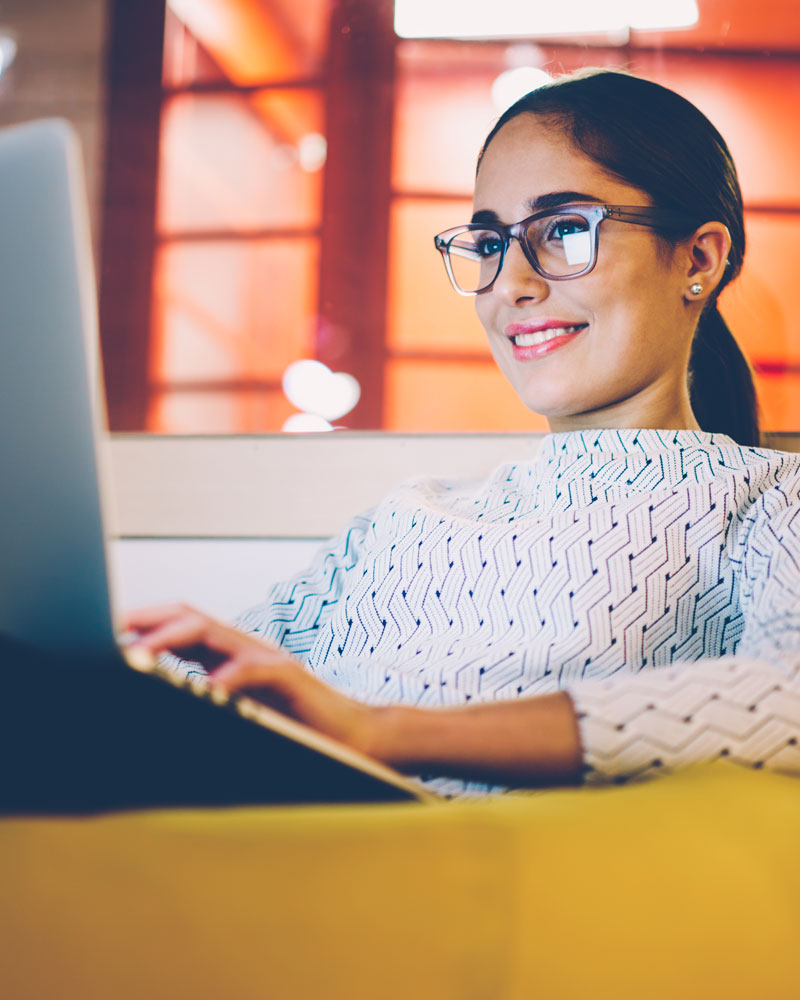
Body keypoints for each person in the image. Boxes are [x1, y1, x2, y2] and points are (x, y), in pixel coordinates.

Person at [124, 69, 800, 796]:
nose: (511, 283)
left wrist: (382, 733)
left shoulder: (770, 501)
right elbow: (201, 689)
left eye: (565, 229)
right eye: (489, 241)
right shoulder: (400, 523)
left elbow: (782, 698)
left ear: (698, 258)